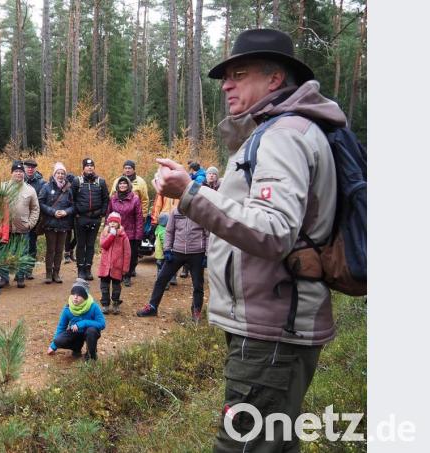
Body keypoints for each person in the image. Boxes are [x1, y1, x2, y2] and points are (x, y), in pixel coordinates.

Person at [153, 28, 344, 451]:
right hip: (271, 321)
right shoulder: (279, 131)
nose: (226, 84)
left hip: (273, 328)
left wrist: (189, 194)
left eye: (239, 73)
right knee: (272, 443)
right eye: (225, 76)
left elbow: (274, 229)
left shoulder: (284, 135)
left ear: (274, 80)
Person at [136, 207, 208, 321]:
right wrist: (167, 249)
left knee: (198, 285)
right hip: (177, 252)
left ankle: (196, 311)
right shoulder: (176, 212)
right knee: (161, 279)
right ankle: (152, 307)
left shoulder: (201, 212)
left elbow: (208, 234)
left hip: (197, 253)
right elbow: (169, 231)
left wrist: (207, 254)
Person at [46, 278, 105, 361]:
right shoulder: (68, 308)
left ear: (85, 296)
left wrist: (83, 323)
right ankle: (76, 348)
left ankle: (91, 355)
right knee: (58, 340)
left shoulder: (93, 306)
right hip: (76, 333)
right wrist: (53, 345)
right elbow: (61, 327)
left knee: (91, 331)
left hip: (90, 333)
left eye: (79, 294)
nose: (75, 297)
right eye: (73, 294)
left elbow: (102, 324)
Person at [2, 161, 39, 288]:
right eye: (16, 171)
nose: (19, 174)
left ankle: (20, 277)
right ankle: (4, 278)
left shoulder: (30, 190)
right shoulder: (4, 187)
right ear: (11, 173)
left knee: (22, 253)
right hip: (6, 228)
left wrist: (30, 224)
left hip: (23, 228)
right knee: (4, 253)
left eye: (21, 172)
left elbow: (35, 208)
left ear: (23, 174)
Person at [71, 158, 109, 281]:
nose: (90, 168)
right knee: (81, 244)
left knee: (91, 245)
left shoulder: (100, 182)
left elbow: (106, 199)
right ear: (83, 168)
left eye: (92, 166)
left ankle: (88, 269)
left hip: (95, 218)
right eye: (87, 166)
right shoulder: (77, 181)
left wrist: (102, 213)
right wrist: (76, 212)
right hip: (81, 218)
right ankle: (80, 269)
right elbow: (72, 199)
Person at [38, 162, 75, 284]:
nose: (60, 175)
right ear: (54, 174)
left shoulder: (69, 189)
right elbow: (41, 203)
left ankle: (56, 273)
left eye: (62, 173)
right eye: (58, 173)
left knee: (60, 250)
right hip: (50, 223)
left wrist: (65, 212)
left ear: (65, 175)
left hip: (64, 224)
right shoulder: (46, 187)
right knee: (50, 250)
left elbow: (73, 206)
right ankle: (48, 274)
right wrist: (53, 212)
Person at [107, 176, 143, 287]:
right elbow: (109, 215)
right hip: (116, 232)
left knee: (130, 255)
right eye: (121, 184)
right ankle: (119, 274)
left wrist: (138, 235)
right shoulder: (113, 199)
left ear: (129, 185)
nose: (122, 185)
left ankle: (127, 275)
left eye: (125, 184)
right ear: (118, 186)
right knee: (118, 254)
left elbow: (139, 217)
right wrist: (108, 229)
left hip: (130, 232)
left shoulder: (135, 199)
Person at [97, 212, 131, 315]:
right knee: (104, 287)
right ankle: (105, 304)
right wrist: (111, 235)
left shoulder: (123, 236)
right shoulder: (105, 233)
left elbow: (127, 252)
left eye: (115, 222)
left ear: (119, 224)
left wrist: (125, 267)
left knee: (116, 288)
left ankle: (115, 303)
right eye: (111, 222)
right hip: (105, 267)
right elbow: (103, 245)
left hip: (117, 267)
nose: (112, 224)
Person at [23, 158, 46, 279]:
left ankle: (29, 270)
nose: (30, 169)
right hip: (19, 220)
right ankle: (20, 271)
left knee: (31, 245)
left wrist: (38, 221)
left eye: (32, 167)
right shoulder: (19, 179)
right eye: (28, 167)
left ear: (35, 169)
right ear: (24, 168)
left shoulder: (41, 183)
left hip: (34, 220)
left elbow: (41, 203)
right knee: (21, 246)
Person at [152, 213, 177, 288]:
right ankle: (164, 283)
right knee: (166, 269)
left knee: (159, 269)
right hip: (165, 254)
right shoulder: (165, 231)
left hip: (158, 254)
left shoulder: (158, 228)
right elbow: (165, 243)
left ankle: (159, 282)